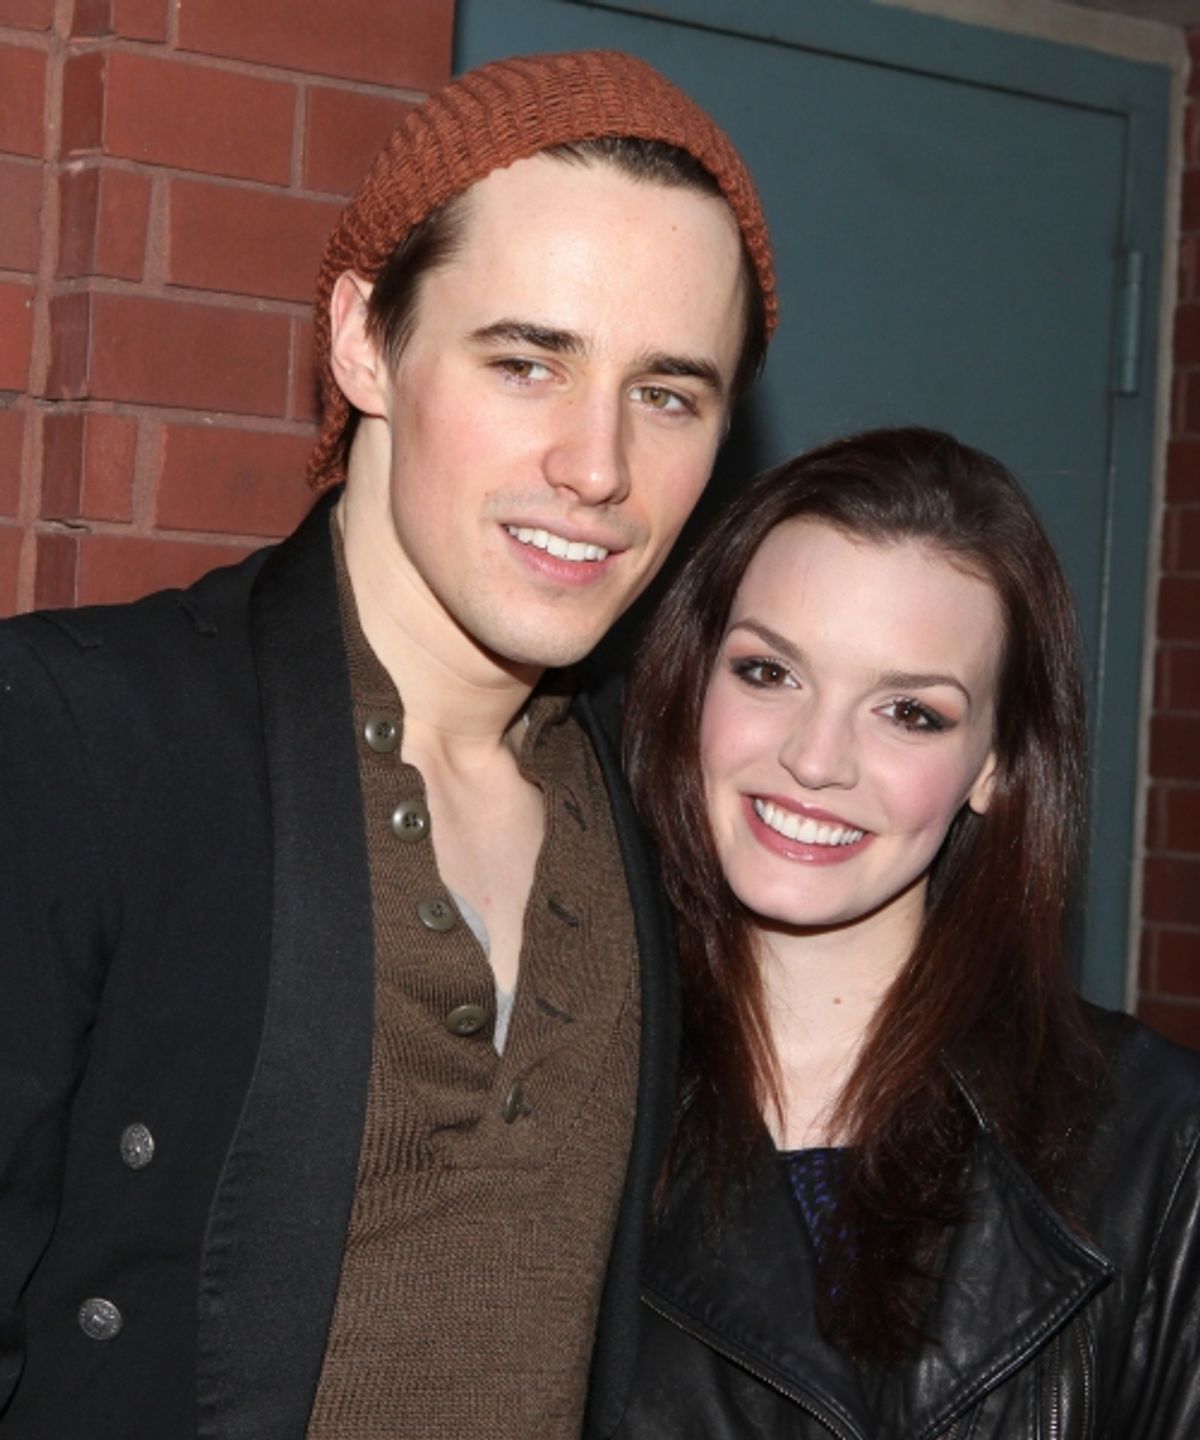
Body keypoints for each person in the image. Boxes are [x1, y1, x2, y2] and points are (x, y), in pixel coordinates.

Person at [0, 50, 777, 1439]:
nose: (596, 466)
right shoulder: (84, 738)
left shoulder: (670, 797)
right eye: (528, 361)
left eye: (668, 394)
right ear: (366, 341)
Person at [620, 427, 1200, 1438]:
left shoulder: (1158, 1143)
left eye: (910, 714)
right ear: (691, 683)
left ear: (997, 766)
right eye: (768, 673)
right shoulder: (556, 1090)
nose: (815, 758)